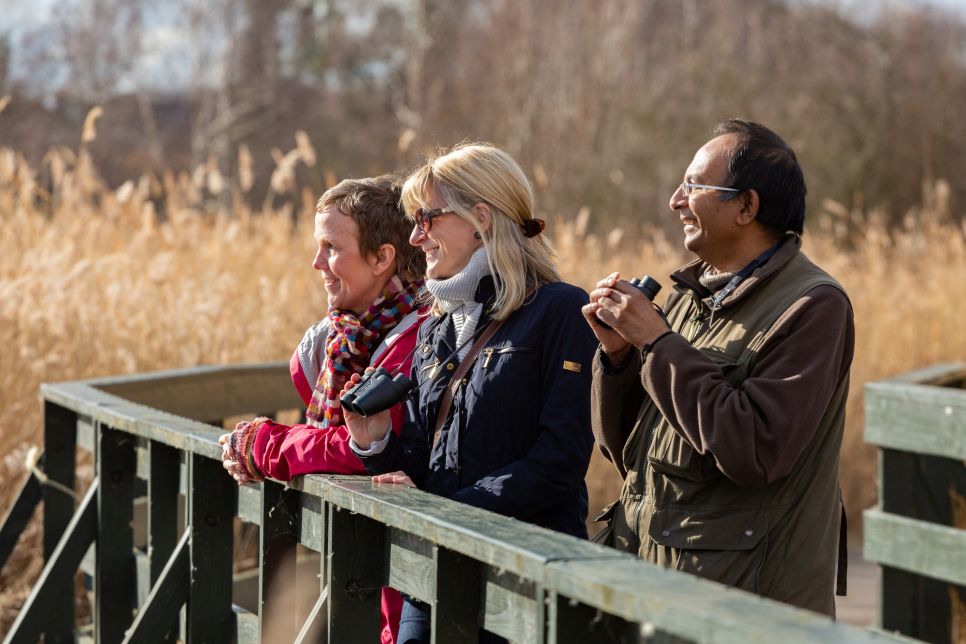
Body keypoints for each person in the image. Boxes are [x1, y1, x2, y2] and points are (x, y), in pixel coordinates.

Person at [583, 120, 854, 617]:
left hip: (745, 608)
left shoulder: (814, 306)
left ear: (747, 207)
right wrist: (619, 357)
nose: (675, 200)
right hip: (658, 588)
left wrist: (657, 341)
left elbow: (756, 450)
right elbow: (625, 453)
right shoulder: (692, 294)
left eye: (693, 186)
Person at [342, 144, 597, 644]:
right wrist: (376, 446)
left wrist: (452, 513)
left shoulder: (561, 310)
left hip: (524, 581)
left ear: (480, 217)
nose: (417, 236)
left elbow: (560, 460)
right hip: (435, 576)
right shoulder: (436, 330)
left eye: (427, 218)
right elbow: (421, 461)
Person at [219, 174, 428, 644]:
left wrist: (264, 445)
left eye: (331, 247)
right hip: (365, 577)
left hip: (407, 583)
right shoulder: (331, 350)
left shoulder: (417, 343)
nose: (317, 263)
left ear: (382, 258)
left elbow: (362, 449)